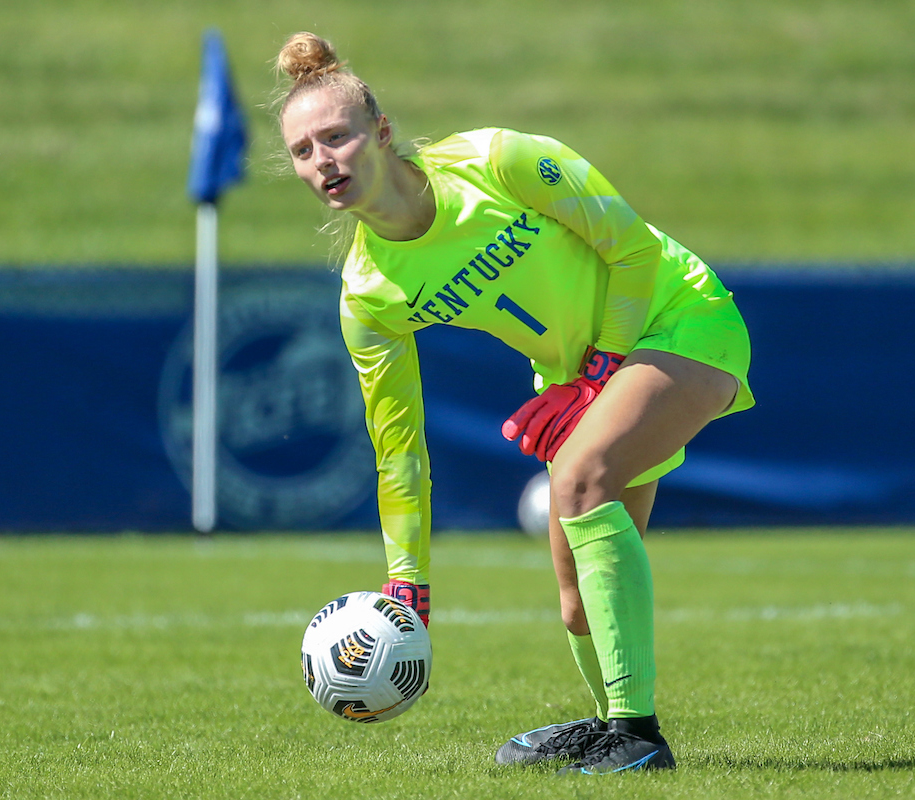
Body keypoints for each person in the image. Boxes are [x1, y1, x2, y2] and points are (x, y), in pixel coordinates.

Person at [274, 31, 754, 775]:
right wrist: (408, 580)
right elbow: (398, 452)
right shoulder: (368, 298)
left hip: (680, 315)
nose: (323, 160)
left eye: (336, 136)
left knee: (579, 479)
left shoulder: (497, 160)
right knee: (575, 602)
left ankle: (636, 735)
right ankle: (610, 726)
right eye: (303, 151)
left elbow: (630, 247)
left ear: (382, 133)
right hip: (582, 377)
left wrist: (597, 371)